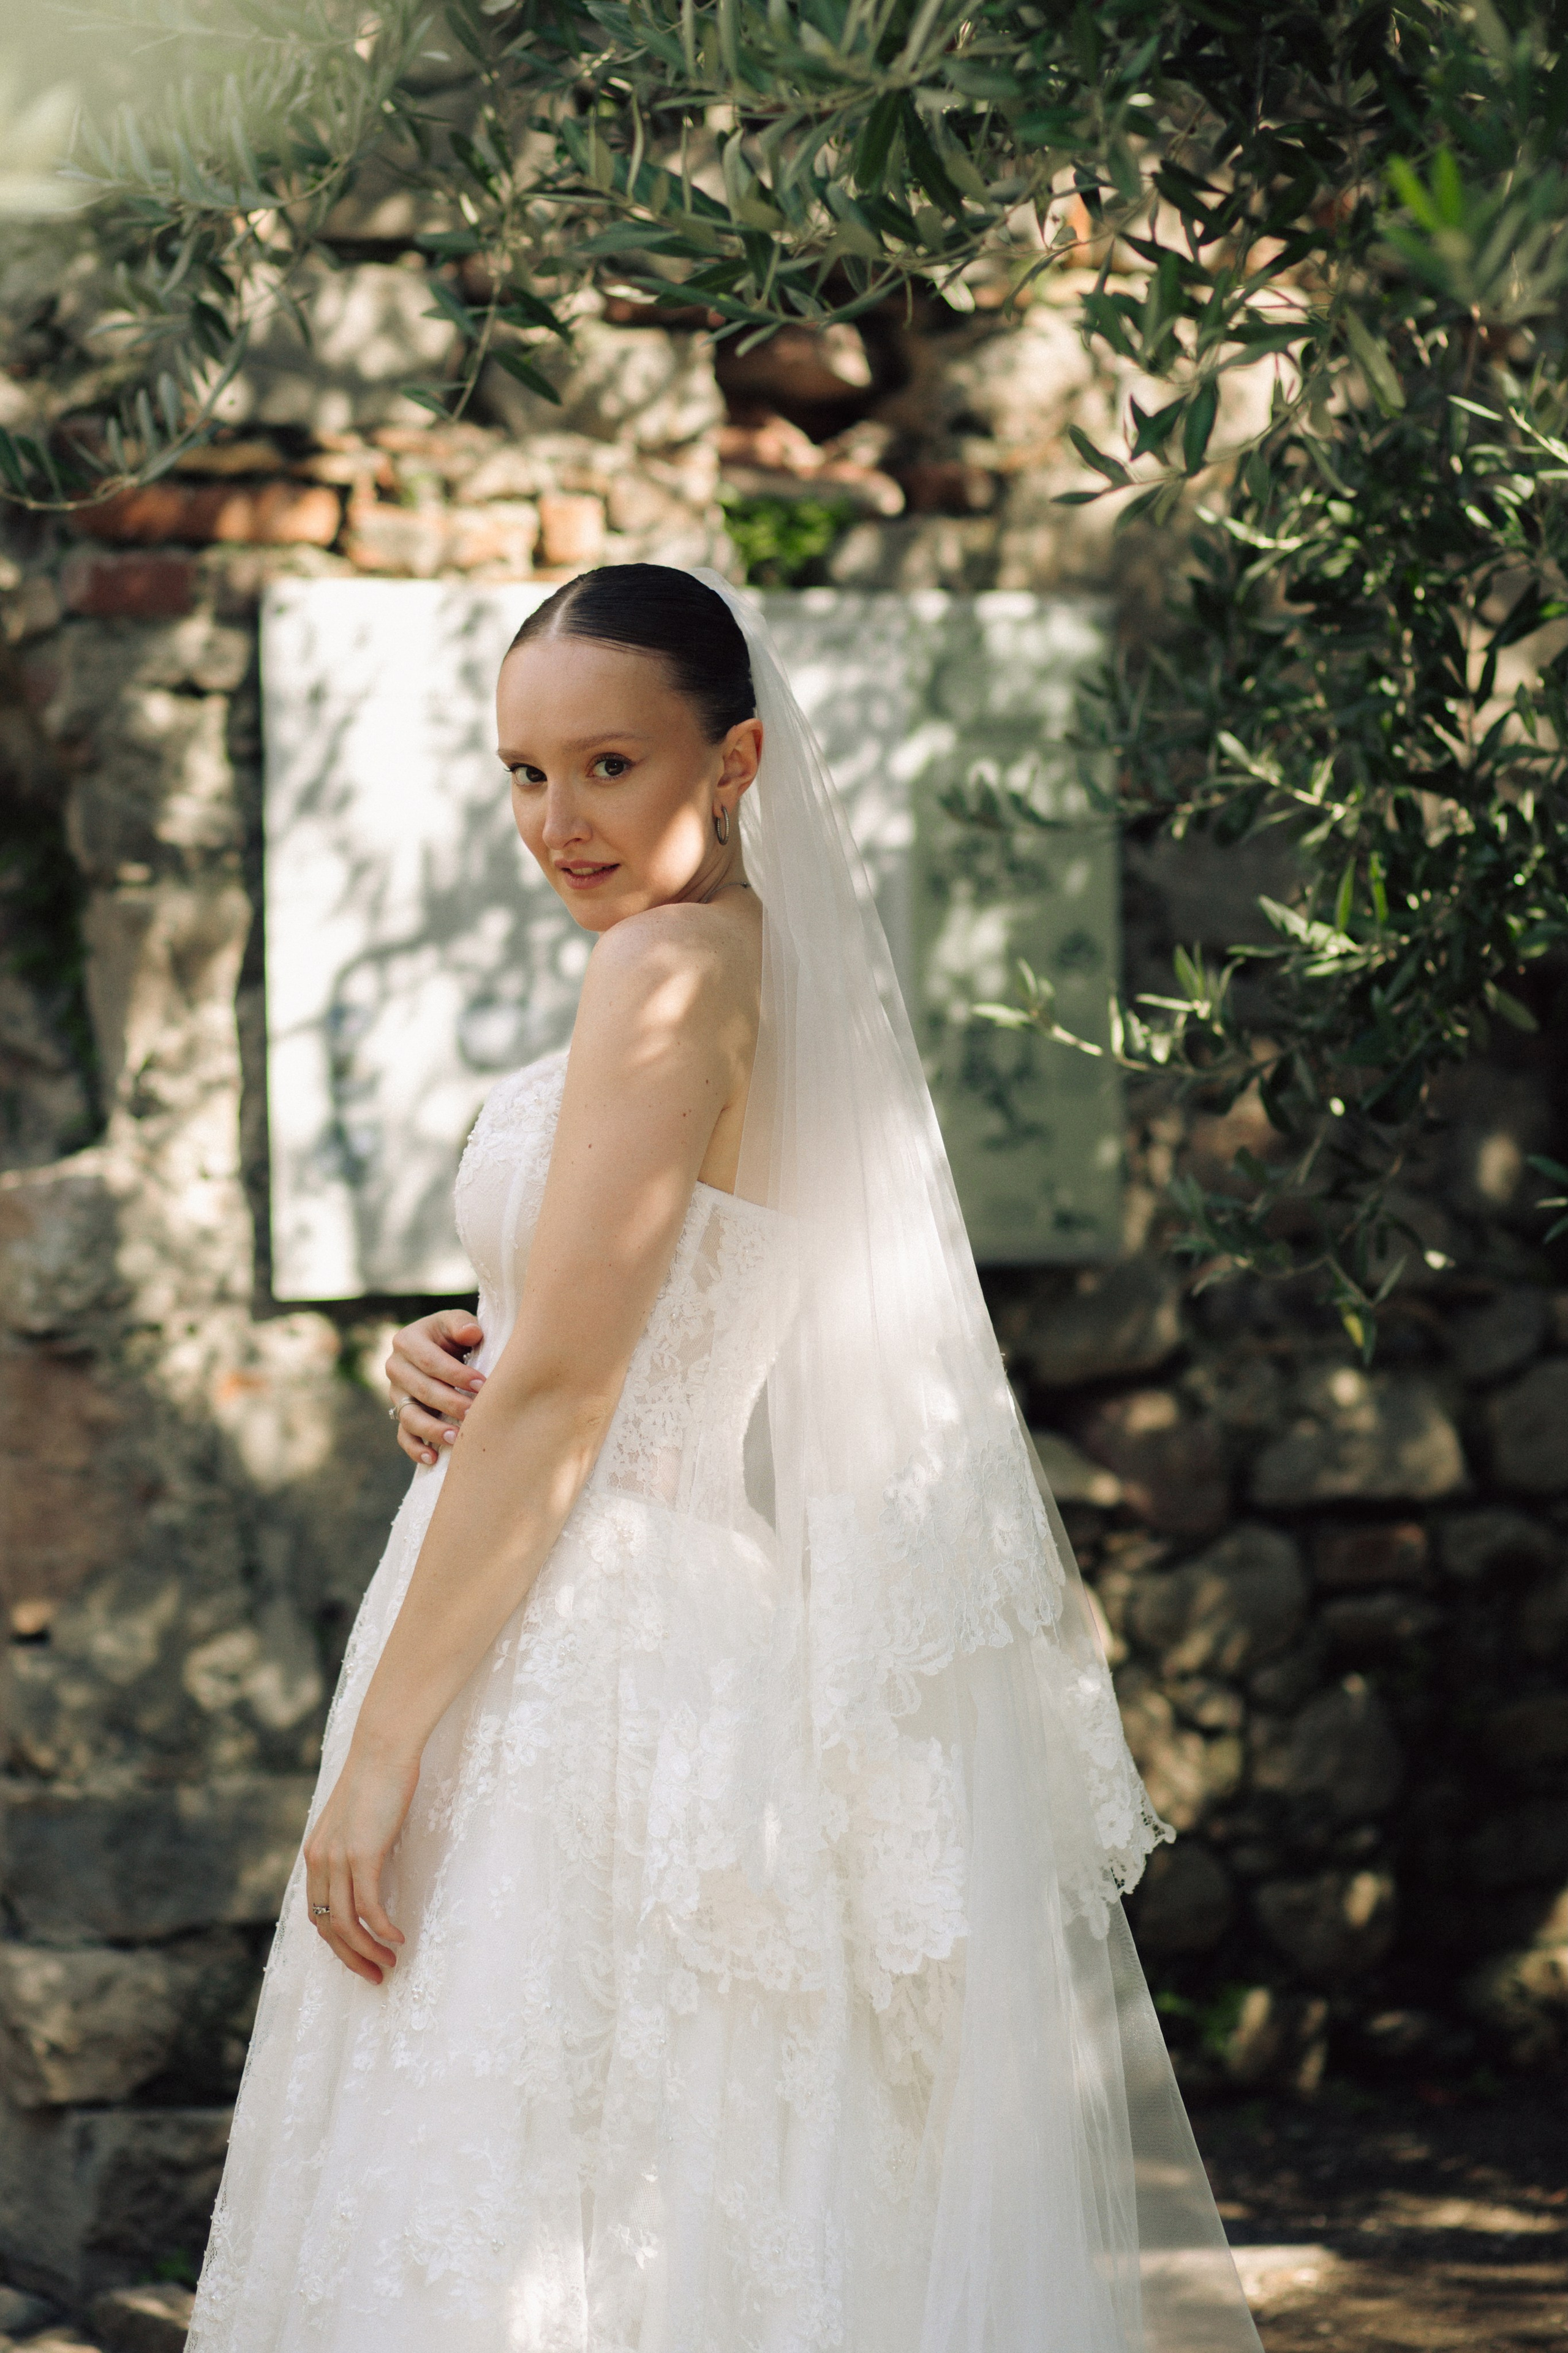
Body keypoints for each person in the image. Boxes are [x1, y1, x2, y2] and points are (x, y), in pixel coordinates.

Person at [187, 565, 1263, 2353]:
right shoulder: (734, 965)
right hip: (650, 1603)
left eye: (609, 764)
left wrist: (379, 1749)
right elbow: (591, 1332)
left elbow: (576, 1399)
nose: (559, 821)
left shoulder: (669, 971)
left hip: (587, 1636)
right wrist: (444, 1343)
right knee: (675, 2172)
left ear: (737, 755)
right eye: (525, 773)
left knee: (545, 2169)